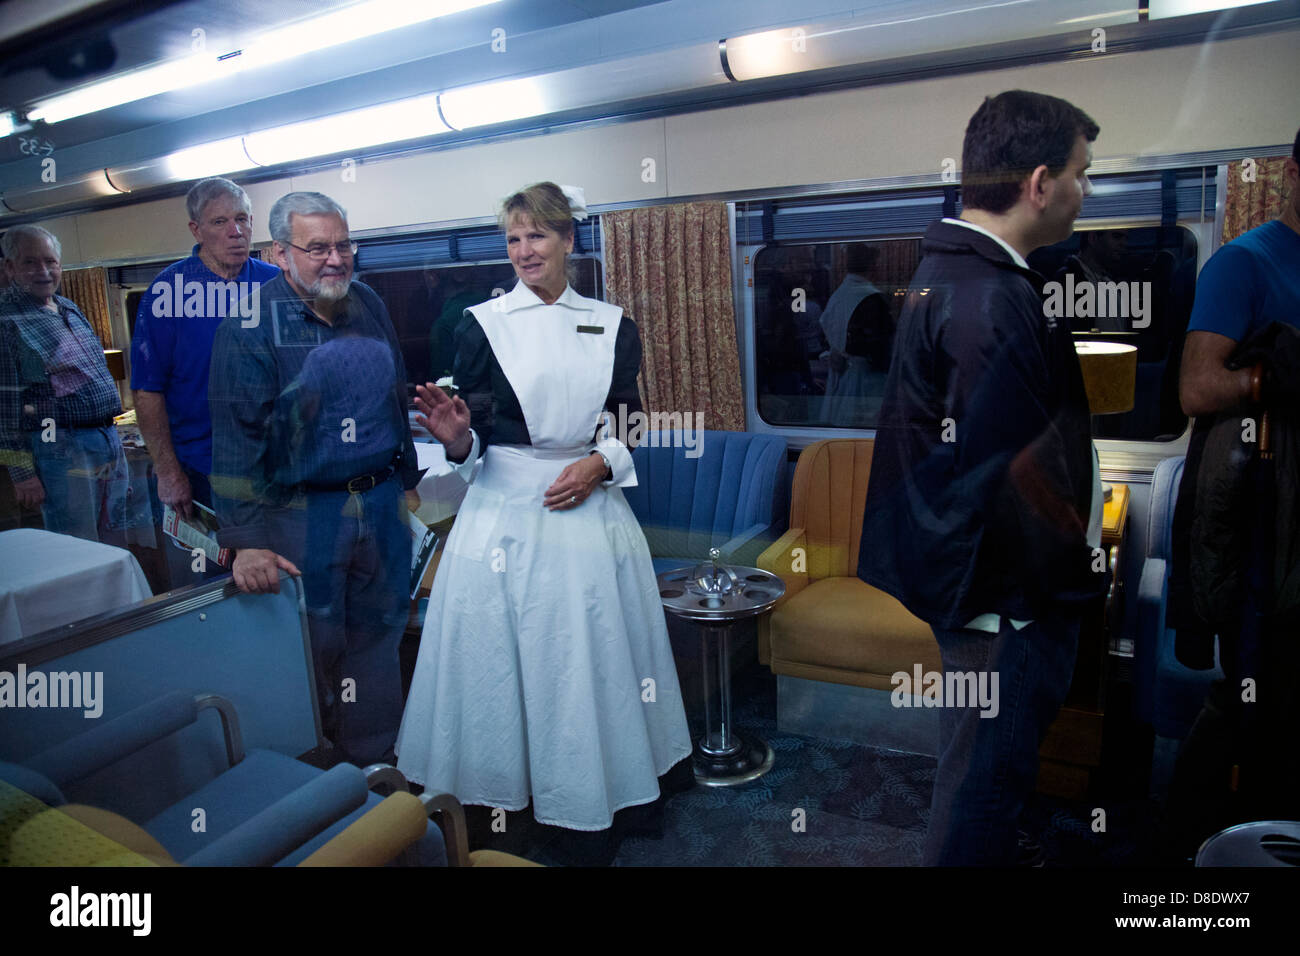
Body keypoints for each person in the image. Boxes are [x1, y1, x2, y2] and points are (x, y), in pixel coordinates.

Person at [396, 182, 691, 843]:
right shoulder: (481, 323)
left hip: (590, 510)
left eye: (537, 236)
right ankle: (499, 805)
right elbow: (475, 438)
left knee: (591, 658)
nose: (524, 251)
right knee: (499, 660)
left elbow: (629, 419)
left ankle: (597, 794)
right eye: (513, 239)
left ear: (568, 241)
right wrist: (455, 440)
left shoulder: (614, 325)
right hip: (503, 510)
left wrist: (599, 464)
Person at [858, 91, 1106, 866]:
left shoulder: (961, 270)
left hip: (983, 592)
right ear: (1038, 182)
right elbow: (1009, 479)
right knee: (980, 790)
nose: (1085, 191)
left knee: (980, 776)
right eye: (1080, 174)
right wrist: (1072, 583)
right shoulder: (987, 299)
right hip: (1007, 606)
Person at [208, 191, 420, 765]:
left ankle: (379, 770)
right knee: (311, 650)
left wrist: (406, 478)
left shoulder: (368, 302)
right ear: (280, 253)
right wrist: (246, 540)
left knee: (378, 642)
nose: (335, 259)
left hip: (378, 503)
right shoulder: (250, 326)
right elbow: (235, 438)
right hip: (300, 516)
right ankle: (317, 783)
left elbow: (394, 394)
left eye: (344, 245)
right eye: (318, 247)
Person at [1161, 127, 1300, 857]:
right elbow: (1193, 388)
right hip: (1259, 532)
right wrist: (1269, 378)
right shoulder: (1245, 264)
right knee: (1254, 697)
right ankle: (1195, 846)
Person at [130, 177, 279, 582]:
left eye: (243, 219)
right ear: (196, 229)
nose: (236, 231)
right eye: (220, 222)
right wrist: (167, 471)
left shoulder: (275, 284)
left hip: (275, 466)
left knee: (281, 575)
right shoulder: (168, 291)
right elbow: (147, 388)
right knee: (226, 582)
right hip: (204, 469)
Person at [0, 224, 131, 543]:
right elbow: (4, 409)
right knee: (80, 542)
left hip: (106, 437)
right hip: (59, 447)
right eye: (30, 262)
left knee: (118, 535)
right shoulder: (5, 321)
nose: (43, 271)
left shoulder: (69, 308)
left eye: (50, 261)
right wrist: (23, 475)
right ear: (10, 267)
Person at [819, 243, 893, 426]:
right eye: (877, 262)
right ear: (872, 264)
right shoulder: (872, 298)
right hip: (865, 378)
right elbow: (882, 346)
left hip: (843, 374)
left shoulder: (838, 295)